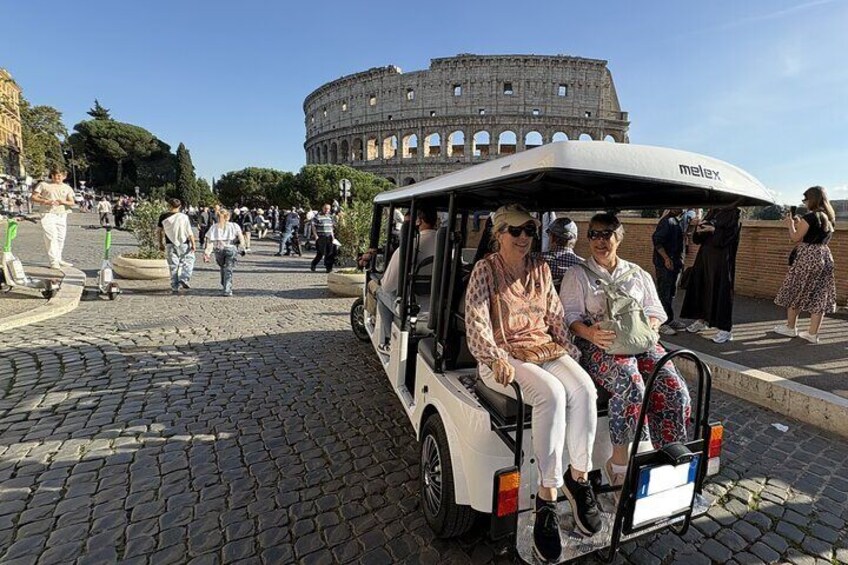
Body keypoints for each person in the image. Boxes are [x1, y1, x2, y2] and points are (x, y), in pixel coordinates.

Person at [466, 205, 600, 559]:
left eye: (529, 230)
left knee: (584, 386)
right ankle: (547, 496)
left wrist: (572, 352)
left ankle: (579, 477)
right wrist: (495, 358)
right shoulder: (485, 271)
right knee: (552, 395)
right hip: (502, 354)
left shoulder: (540, 268)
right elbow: (477, 325)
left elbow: (555, 316)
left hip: (543, 348)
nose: (524, 237)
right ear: (499, 234)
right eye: (516, 231)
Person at [561, 213, 691, 496]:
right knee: (630, 384)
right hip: (600, 343)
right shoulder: (578, 275)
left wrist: (651, 327)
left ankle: (667, 459)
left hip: (639, 341)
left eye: (607, 234)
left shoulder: (637, 273)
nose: (600, 240)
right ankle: (618, 463)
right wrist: (591, 334)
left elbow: (657, 310)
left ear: (618, 237)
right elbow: (569, 317)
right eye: (594, 234)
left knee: (675, 388)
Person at [773, 186, 837, 344]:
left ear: (812, 199)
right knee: (820, 295)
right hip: (824, 255)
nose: (805, 202)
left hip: (808, 257)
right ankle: (813, 334)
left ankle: (790, 327)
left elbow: (796, 238)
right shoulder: (829, 217)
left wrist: (790, 224)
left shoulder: (810, 217)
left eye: (805, 199)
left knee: (797, 289)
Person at [374, 207, 438, 352]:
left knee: (380, 292)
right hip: (439, 306)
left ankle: (388, 341)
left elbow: (388, 286)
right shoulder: (448, 247)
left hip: (413, 307)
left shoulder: (408, 248)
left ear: (419, 221)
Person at [680, 207, 742, 343]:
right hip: (704, 257)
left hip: (721, 261)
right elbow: (698, 239)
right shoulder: (713, 211)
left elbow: (728, 238)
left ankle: (725, 330)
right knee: (701, 287)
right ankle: (701, 320)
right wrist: (699, 227)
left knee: (721, 291)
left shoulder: (733, 214)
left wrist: (713, 230)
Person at [30, 166, 76, 269]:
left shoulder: (67, 187)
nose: (56, 177)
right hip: (47, 213)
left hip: (62, 214)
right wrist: (45, 201)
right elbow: (33, 197)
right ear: (51, 176)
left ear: (64, 176)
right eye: (54, 175)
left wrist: (62, 201)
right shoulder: (43, 185)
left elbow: (72, 202)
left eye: (59, 176)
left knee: (61, 237)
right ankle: (53, 261)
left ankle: (59, 258)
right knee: (51, 237)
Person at [652, 209, 686, 335]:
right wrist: (666, 258)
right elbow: (657, 241)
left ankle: (669, 319)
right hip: (665, 265)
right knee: (664, 293)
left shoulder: (677, 221)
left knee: (671, 293)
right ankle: (661, 323)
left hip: (675, 264)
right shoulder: (667, 222)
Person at [203, 209, 246, 297]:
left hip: (219, 249)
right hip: (231, 248)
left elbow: (209, 241)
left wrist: (207, 253)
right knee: (228, 269)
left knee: (223, 267)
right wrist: (242, 247)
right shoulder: (234, 226)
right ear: (229, 217)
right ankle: (227, 289)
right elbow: (241, 237)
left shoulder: (214, 227)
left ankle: (225, 284)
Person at [157, 198, 196, 293]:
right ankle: (184, 278)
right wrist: (193, 243)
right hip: (183, 243)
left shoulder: (163, 217)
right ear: (180, 206)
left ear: (169, 205)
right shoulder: (184, 217)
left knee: (173, 265)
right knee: (189, 261)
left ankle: (175, 285)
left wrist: (160, 243)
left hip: (169, 243)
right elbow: (189, 231)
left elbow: (159, 231)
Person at [310, 204, 337, 273]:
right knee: (320, 253)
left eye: (328, 209)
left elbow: (331, 228)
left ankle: (329, 267)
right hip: (321, 236)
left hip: (329, 237)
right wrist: (315, 235)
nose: (327, 210)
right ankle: (314, 264)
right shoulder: (317, 217)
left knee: (330, 252)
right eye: (325, 208)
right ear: (322, 208)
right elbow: (313, 226)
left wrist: (333, 237)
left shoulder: (330, 217)